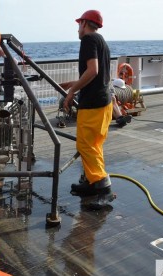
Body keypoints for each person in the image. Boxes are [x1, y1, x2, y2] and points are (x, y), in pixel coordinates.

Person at [59, 10, 114, 203]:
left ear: (83, 23)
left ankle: (103, 187)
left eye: (78, 24)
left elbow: (93, 70)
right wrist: (73, 84)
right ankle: (92, 183)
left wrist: (72, 91)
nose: (77, 29)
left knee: (85, 145)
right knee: (94, 145)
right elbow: (96, 76)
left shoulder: (88, 40)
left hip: (93, 105)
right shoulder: (101, 42)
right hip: (104, 103)